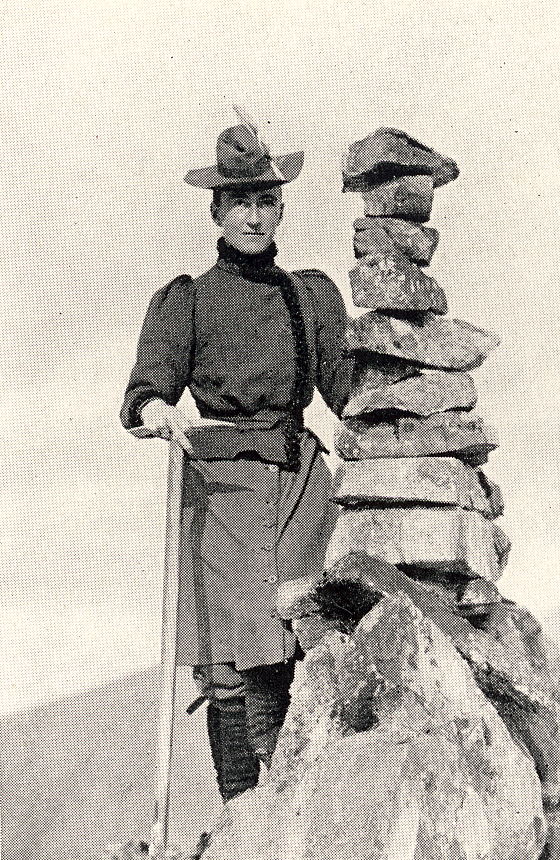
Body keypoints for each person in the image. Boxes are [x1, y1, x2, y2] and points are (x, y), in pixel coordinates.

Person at [120, 113, 353, 802]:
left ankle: (299, 805)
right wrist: (155, 410)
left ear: (280, 207)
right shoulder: (187, 301)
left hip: (299, 484)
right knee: (230, 659)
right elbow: (147, 385)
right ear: (217, 210)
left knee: (299, 640)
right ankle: (241, 812)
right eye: (241, 202)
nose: (254, 216)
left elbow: (344, 390)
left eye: (266, 201)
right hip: (220, 487)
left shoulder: (308, 295)